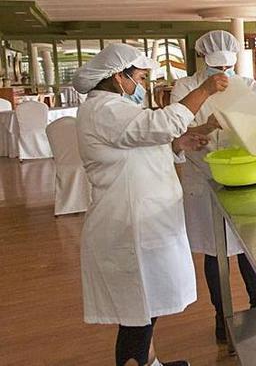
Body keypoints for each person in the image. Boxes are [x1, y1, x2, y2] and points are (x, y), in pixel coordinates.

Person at [73, 43, 229, 366]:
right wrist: (205, 89)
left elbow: (140, 143)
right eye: (140, 78)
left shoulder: (115, 110)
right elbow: (158, 125)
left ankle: (151, 362)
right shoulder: (104, 110)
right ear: (119, 78)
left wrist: (179, 142)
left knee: (145, 309)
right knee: (137, 314)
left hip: (142, 223)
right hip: (127, 227)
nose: (142, 85)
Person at [170, 30, 256, 343]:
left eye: (227, 68)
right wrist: (209, 125)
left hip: (242, 173)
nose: (222, 75)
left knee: (249, 248)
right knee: (216, 251)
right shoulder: (185, 88)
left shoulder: (249, 86)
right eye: (216, 68)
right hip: (204, 174)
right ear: (202, 60)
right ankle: (221, 315)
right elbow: (176, 133)